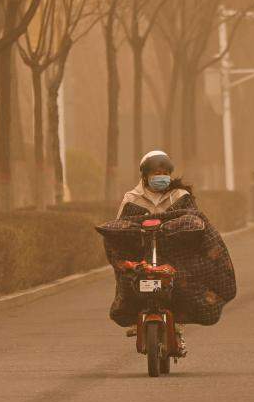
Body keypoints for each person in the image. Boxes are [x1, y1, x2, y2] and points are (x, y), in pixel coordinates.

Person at [102, 150, 237, 353]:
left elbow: (196, 222)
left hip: (176, 254)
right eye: (156, 173)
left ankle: (178, 322)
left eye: (165, 172)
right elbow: (121, 227)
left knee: (186, 281)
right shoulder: (132, 198)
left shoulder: (180, 196)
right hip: (143, 253)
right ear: (145, 175)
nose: (161, 177)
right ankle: (135, 316)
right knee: (130, 279)